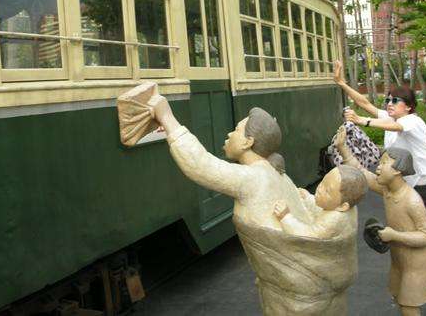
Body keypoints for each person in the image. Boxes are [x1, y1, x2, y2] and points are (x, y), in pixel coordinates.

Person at [118, 84, 360, 315]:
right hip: (310, 291)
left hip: (298, 296)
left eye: (236, 130)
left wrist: (169, 119)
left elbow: (201, 165)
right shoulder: (275, 173)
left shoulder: (253, 178)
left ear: (248, 142)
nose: (229, 133)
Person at [333, 60, 426, 262]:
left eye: (395, 101)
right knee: (402, 229)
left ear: (409, 107)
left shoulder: (413, 121)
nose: (389, 103)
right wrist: (342, 83)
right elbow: (365, 103)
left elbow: (395, 127)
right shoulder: (390, 117)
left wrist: (361, 121)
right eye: (388, 100)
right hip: (408, 187)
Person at [336, 134, 426, 316]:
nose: (378, 167)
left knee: (409, 305)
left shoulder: (412, 200)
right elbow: (362, 171)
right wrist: (343, 148)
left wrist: (395, 236)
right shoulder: (388, 190)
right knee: (400, 298)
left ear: (397, 170)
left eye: (384, 163)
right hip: (400, 259)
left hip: (417, 264)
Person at [273, 165, 367, 239]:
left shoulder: (333, 220)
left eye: (327, 191)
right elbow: (324, 208)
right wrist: (309, 198)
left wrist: (286, 217)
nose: (319, 189)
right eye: (323, 182)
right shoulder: (344, 206)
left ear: (342, 207)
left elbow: (308, 236)